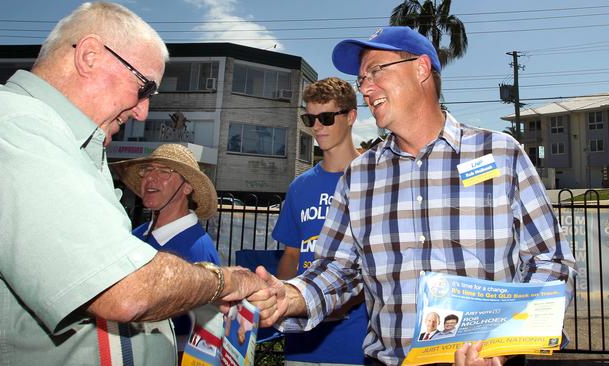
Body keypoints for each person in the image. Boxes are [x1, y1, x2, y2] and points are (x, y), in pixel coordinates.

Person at [251, 26, 576, 366]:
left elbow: (551, 263)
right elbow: (337, 270)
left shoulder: (500, 154)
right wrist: (289, 296)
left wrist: (503, 342)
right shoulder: (359, 177)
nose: (365, 88)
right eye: (361, 78)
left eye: (375, 70)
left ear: (421, 68)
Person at [0, 3, 266, 365]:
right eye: (144, 87)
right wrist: (224, 282)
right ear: (90, 56)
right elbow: (123, 292)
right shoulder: (16, 128)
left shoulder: (60, 141)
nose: (142, 111)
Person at [272, 77, 368, 365]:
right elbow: (291, 255)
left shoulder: (375, 179)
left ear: (351, 116)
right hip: (301, 344)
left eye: (326, 118)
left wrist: (338, 303)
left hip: (356, 342)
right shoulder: (299, 186)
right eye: (310, 118)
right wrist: (282, 299)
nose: (316, 127)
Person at [111, 143, 222, 351]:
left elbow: (200, 337)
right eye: (147, 170)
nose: (150, 178)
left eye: (164, 171)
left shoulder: (197, 251)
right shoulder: (134, 234)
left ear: (187, 187)